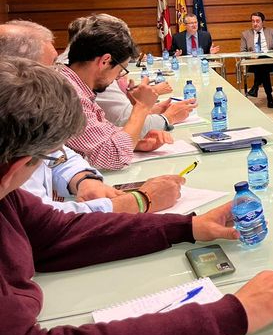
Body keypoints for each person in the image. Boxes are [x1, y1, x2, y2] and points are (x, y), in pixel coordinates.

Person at [0, 56, 273, 335]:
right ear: (16, 167)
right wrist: (234, 315)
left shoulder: (7, 196)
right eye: (47, 159)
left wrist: (187, 227)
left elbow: (58, 233)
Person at [0, 20, 184, 214]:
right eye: (51, 65)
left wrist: (82, 178)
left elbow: (57, 153)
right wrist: (141, 201)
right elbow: (44, 222)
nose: (59, 72)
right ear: (17, 71)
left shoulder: (44, 98)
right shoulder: (41, 102)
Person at [61, 16, 173, 170]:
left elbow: (102, 132)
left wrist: (136, 144)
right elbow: (114, 157)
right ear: (105, 61)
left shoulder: (73, 83)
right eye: (120, 69)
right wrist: (142, 106)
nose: (119, 76)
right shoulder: (69, 96)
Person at [240, 11, 273, 108]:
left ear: (263, 22)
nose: (255, 24)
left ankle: (255, 86)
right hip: (254, 63)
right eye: (253, 21)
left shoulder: (272, 32)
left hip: (270, 62)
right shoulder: (245, 34)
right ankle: (269, 97)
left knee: (263, 59)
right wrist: (251, 56)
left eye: (257, 21)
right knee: (262, 67)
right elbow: (242, 52)